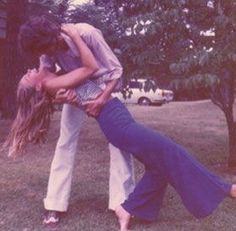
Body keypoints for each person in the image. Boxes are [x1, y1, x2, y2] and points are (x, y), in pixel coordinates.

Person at [6, 24, 236, 231]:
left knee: (158, 163)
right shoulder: (49, 76)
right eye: (27, 77)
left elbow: (112, 70)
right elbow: (87, 69)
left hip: (109, 103)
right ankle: (226, 189)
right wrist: (68, 95)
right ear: (36, 88)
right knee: (167, 151)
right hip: (111, 118)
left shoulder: (85, 37)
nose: (30, 69)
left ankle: (129, 206)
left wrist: (83, 96)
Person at [17, 16, 135, 226]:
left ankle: (122, 201)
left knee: (119, 142)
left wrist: (100, 99)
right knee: (65, 141)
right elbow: (49, 77)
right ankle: (54, 203)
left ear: (53, 38)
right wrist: (62, 94)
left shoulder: (86, 33)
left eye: (48, 50)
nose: (46, 56)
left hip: (104, 87)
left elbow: (116, 71)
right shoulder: (45, 49)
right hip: (75, 87)